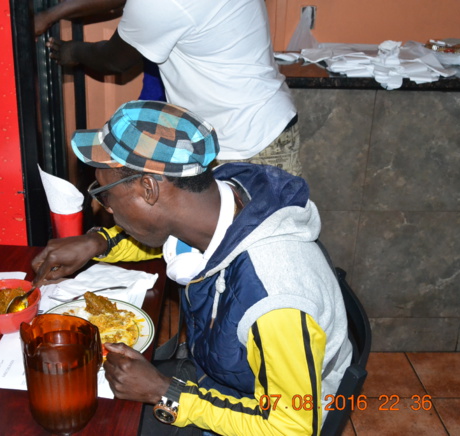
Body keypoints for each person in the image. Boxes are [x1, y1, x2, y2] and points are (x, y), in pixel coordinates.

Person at [32, 100, 352, 435]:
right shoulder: (219, 203)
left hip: (262, 412)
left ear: (149, 188)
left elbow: (294, 427)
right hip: (223, 370)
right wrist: (99, 243)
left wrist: (165, 393)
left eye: (107, 196)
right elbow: (167, 239)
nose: (107, 210)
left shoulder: (276, 301)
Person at [47, 0, 301, 175]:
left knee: (248, 245)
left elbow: (114, 60)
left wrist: (74, 51)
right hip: (261, 119)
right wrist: (52, 14)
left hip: (243, 141)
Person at [34, 0, 165, 101]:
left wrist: (73, 51)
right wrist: (48, 16)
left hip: (169, 113)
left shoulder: (165, 8)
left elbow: (115, 60)